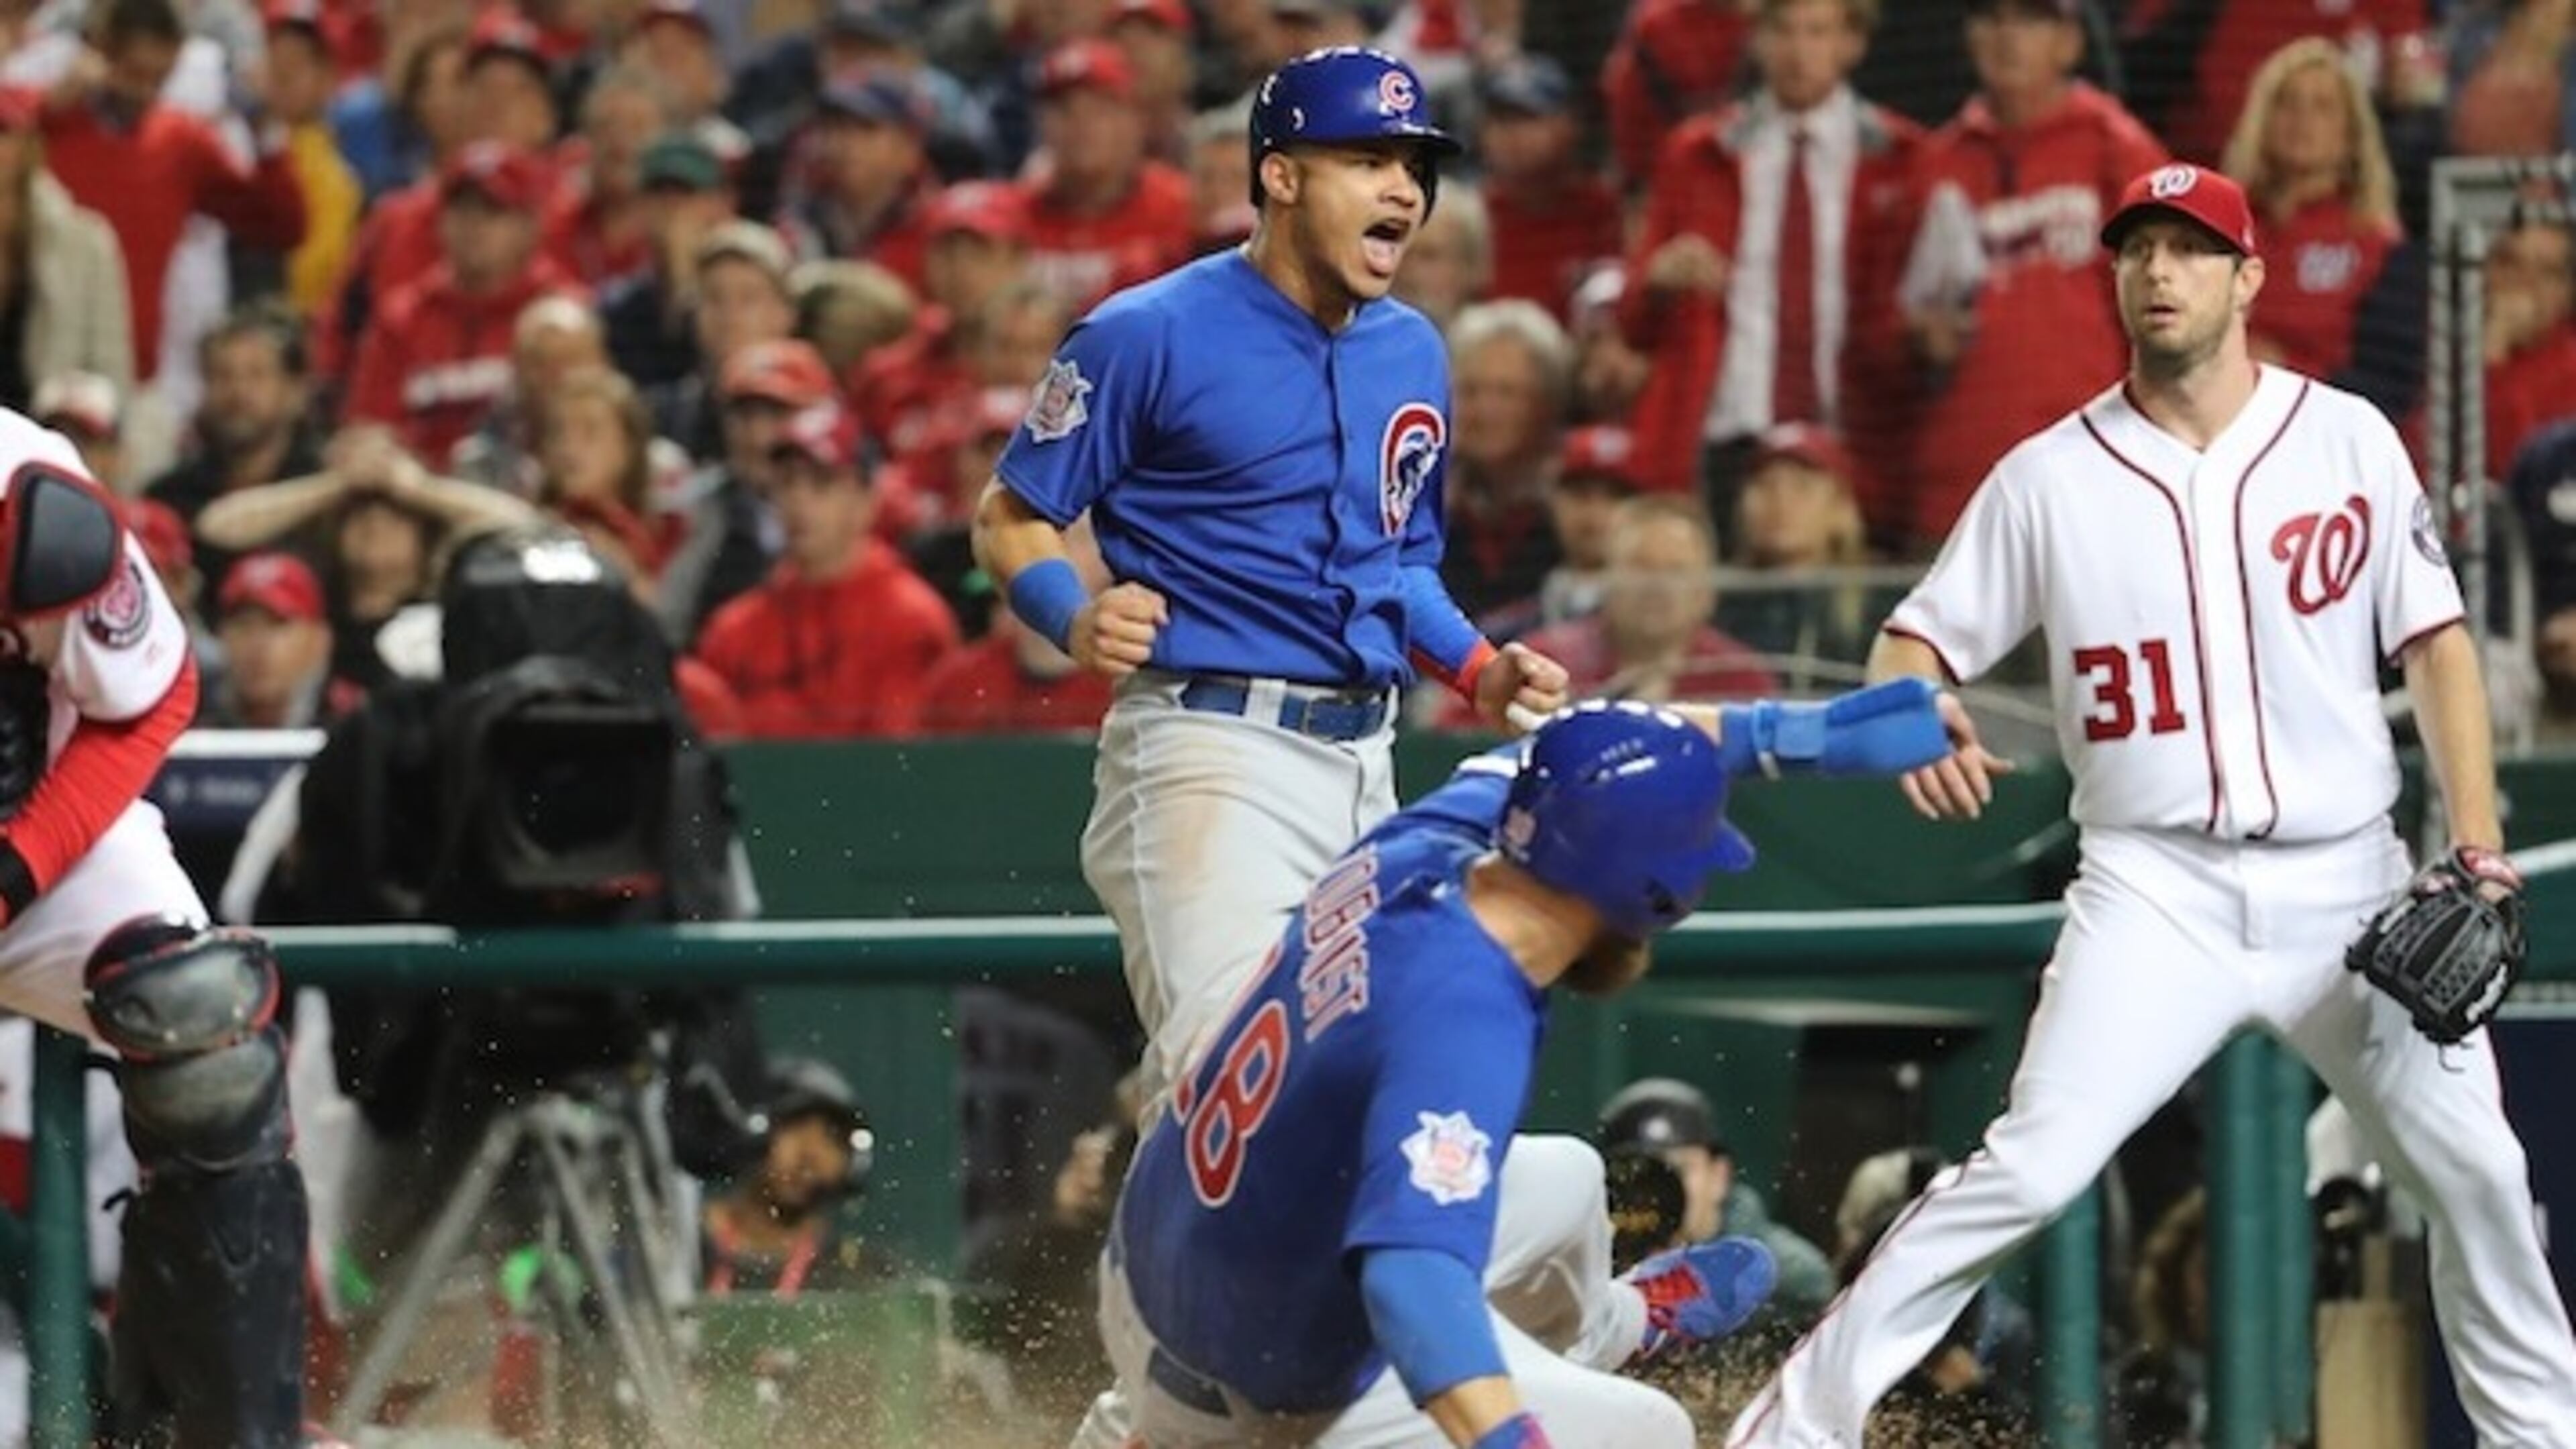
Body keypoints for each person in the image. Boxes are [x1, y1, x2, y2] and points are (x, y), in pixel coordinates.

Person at [1724, 162, 2576, 1447]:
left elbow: (2440, 644)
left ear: (2248, 277)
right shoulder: (2047, 477)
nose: (2159, 272)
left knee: (2482, 1175)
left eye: (2189, 249)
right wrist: (1910, 714)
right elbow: (1914, 645)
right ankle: (1791, 1429)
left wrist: (2479, 848)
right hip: (2152, 888)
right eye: (2137, 250)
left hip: (2348, 880)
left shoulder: (2343, 436)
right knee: (2028, 1171)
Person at [1103, 690, 1958, 1446]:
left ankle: (1620, 1324)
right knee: (1651, 1432)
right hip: (1259, 1389)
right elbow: (1409, 1283)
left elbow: (1579, 743)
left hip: (1171, 1242)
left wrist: (1804, 735)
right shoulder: (1465, 1018)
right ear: (1657, 898)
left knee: (1573, 1181)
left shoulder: (1435, 838)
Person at [970, 47, 1570, 1096]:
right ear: (1280, 174)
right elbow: (1010, 518)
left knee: (1348, 1098)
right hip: (1208, 751)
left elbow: (1398, 565)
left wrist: (1479, 669)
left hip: (1367, 767)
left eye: (1415, 167)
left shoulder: (1415, 351)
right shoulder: (1144, 333)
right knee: (1227, 1088)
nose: (1402, 189)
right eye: (1367, 159)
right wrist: (1072, 615)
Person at [0, 406, 320, 1444]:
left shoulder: (27, 494)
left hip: (30, 841)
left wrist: (20, 866)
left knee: (205, 1035)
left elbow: (149, 693)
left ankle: (220, 1428)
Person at [1596, 1077, 1836, 1326]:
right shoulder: (1593, 1270)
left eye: (1679, 1169)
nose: (1659, 1190)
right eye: (1638, 1176)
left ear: (1719, 1175)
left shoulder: (1783, 1276)